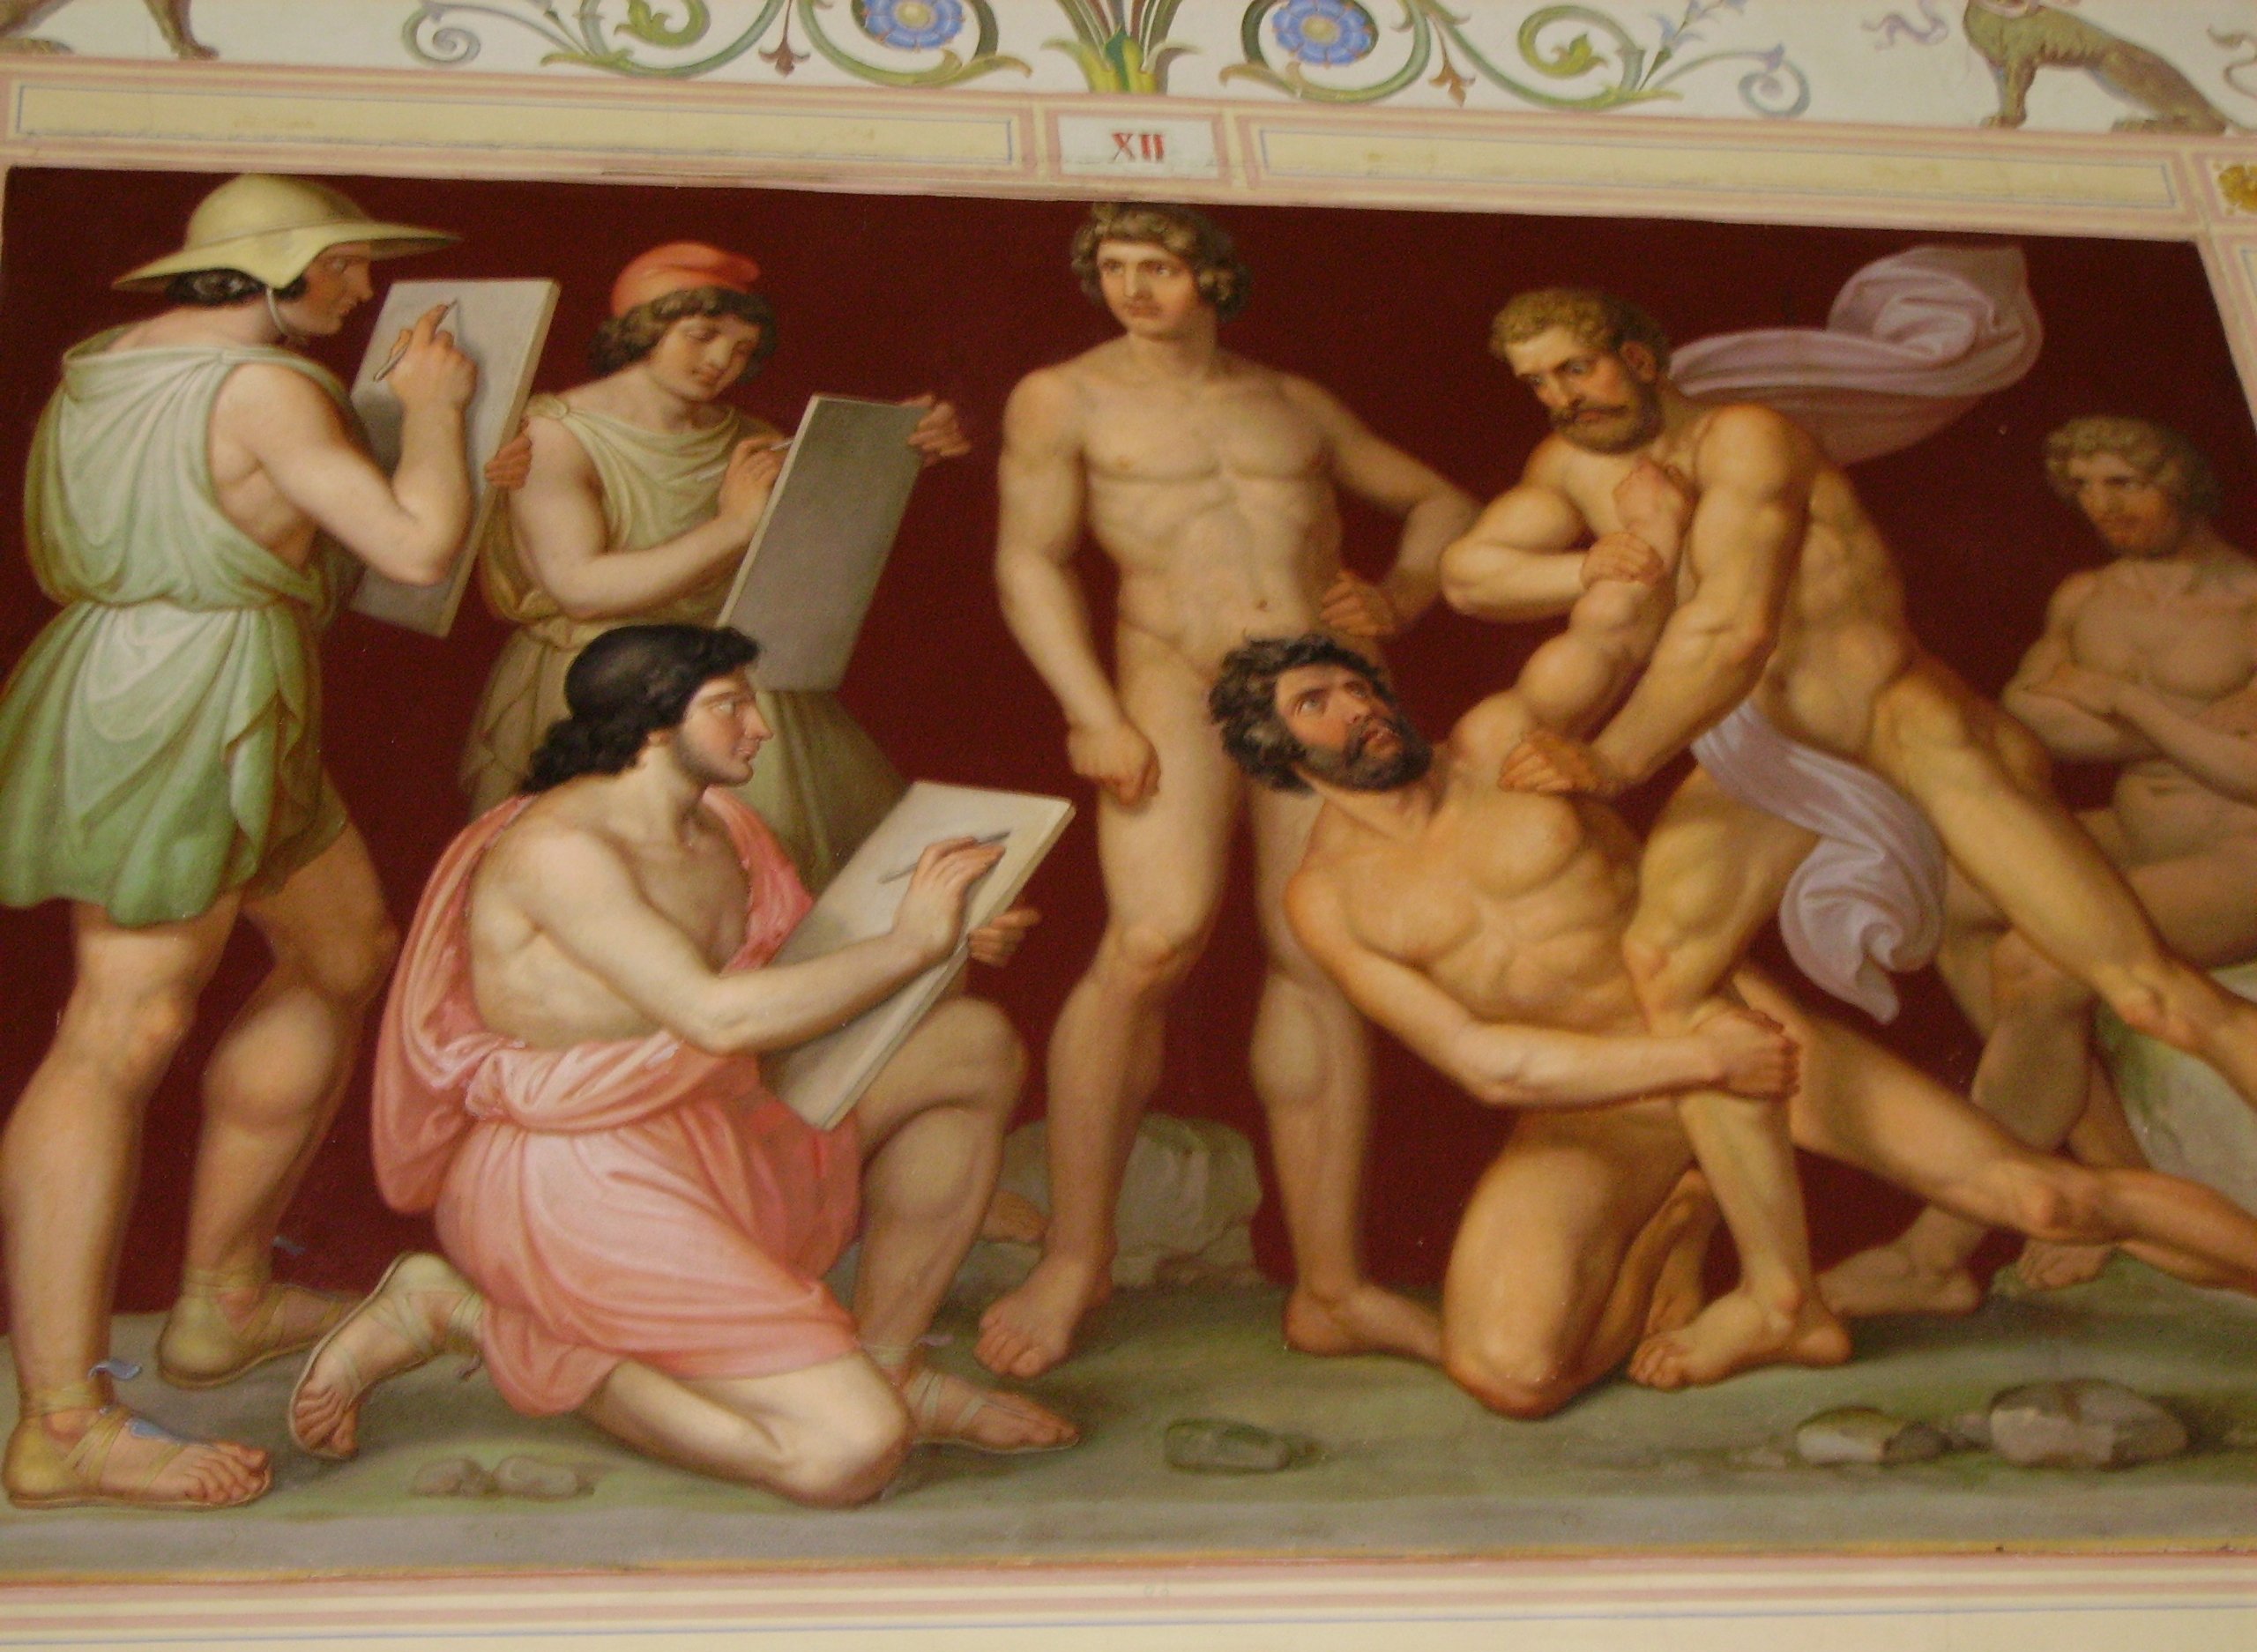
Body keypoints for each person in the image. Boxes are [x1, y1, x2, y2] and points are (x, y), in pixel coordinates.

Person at [1440, 286, 2257, 1388]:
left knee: (2149, 991)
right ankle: (1781, 1298)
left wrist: (1618, 758)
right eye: (1537, 382)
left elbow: (1733, 628)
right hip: (1770, 757)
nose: (1560, 398)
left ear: (1638, 356)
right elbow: (1469, 576)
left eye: (1575, 369)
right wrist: (1592, 564)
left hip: (1901, 731)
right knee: (1667, 969)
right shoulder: (1571, 466)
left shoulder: (1747, 439)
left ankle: (1990, 1237)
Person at [1209, 630, 2257, 1416]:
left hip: (1746, 1040)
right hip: (1598, 1106)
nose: (1358, 706)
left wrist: (1628, 554)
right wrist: (1687, 1061)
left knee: (2047, 1198)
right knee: (1506, 1374)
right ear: (1275, 750)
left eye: (1358, 685)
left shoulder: (1496, 739)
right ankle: (1678, 1220)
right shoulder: (1328, 898)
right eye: (1317, 702)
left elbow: (1617, 633)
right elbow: (1482, 1062)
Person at [289, 624, 1074, 1503]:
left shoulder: (726, 826)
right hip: (580, 1174)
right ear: (654, 722)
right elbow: (716, 1013)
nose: (760, 728)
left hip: (721, 1128)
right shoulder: (560, 852)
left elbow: (807, 988)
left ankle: (891, 1365)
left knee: (973, 1047)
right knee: (849, 1456)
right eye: (730, 706)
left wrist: (951, 939)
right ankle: (471, 1317)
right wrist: (908, 947)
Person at [0, 174, 476, 1509]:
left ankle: (220, 1299)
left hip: (205, 692)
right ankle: (60, 1422)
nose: (362, 289)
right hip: (180, 707)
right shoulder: (267, 387)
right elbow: (416, 547)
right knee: (122, 1025)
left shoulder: (101, 365)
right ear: (283, 265)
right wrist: (436, 415)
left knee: (344, 949)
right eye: (347, 265)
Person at [982, 202, 1479, 1378]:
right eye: (1114, 267)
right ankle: (1076, 1256)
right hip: (1170, 678)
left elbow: (1442, 503)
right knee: (1154, 937)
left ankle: (1332, 1289)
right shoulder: (1063, 396)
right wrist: (1089, 710)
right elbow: (1028, 558)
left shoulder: (1291, 401)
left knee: (1319, 954)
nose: (1132, 288)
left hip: (1320, 682)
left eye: (1157, 266)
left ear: (1210, 277)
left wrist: (1403, 594)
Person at [1828, 416, 2257, 1314]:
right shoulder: (2084, 595)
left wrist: (2121, 701)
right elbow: (2028, 720)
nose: (2104, 507)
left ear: (2183, 482)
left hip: (2238, 853)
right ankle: (2116, 1179)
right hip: (2135, 831)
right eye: (2086, 488)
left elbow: (2246, 774)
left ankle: (1939, 1248)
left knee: (2037, 963)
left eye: (2125, 484)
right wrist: (2185, 730)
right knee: (1944, 896)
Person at [459, 241, 968, 892]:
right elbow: (581, 588)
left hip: (731, 681)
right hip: (608, 685)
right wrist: (735, 526)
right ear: (641, 330)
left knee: (784, 867)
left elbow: (798, 570)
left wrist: (883, 453)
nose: (721, 361)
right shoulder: (556, 434)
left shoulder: (748, 437)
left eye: (742, 349)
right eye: (701, 336)